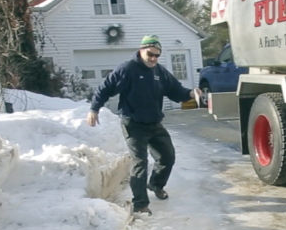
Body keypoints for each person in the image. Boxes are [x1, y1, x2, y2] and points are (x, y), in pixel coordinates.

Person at [86, 34, 202, 216]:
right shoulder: (127, 69)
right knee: (140, 163)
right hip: (133, 123)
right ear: (141, 51)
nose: (154, 58)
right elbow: (105, 88)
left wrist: (190, 93)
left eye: (157, 55)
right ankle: (140, 204)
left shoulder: (159, 71)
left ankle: (155, 184)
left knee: (167, 156)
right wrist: (94, 109)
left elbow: (175, 90)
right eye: (151, 54)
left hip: (154, 123)